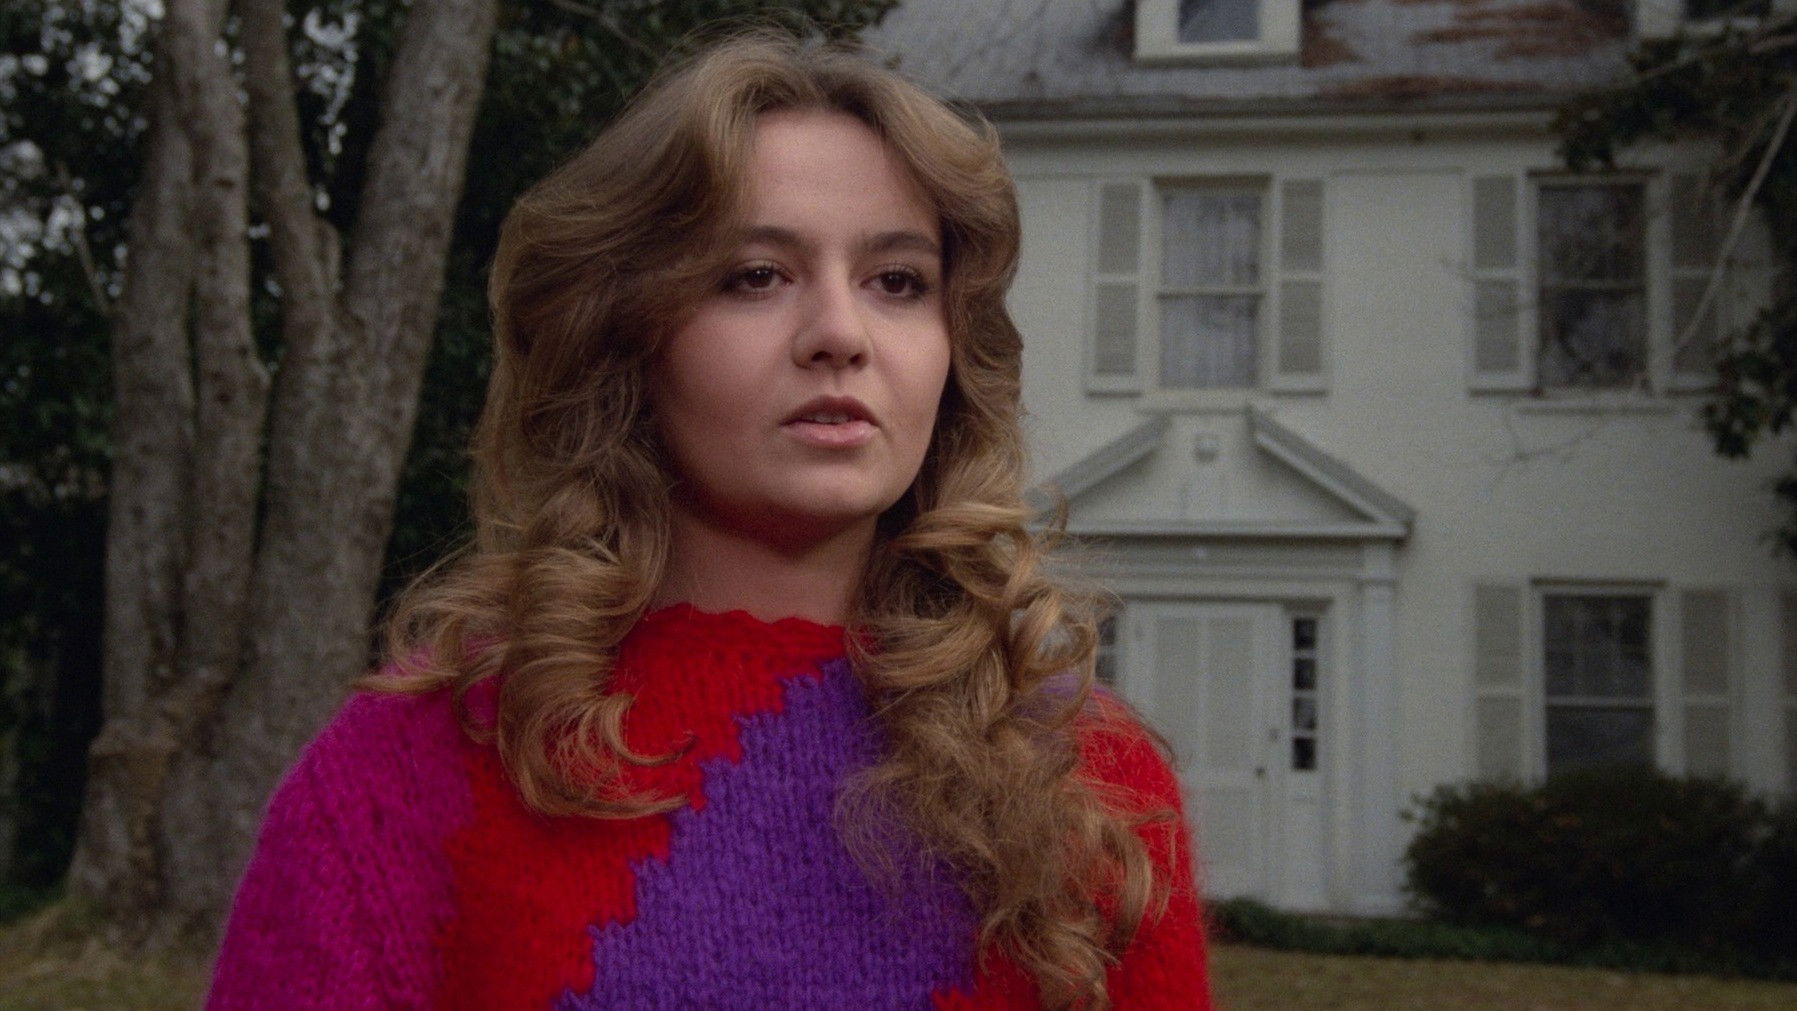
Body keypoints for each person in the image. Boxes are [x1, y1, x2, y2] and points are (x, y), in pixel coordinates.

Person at [206, 31, 1212, 1010]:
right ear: (627, 334)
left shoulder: (1089, 780)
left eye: (898, 282)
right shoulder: (415, 767)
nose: (839, 334)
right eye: (755, 276)